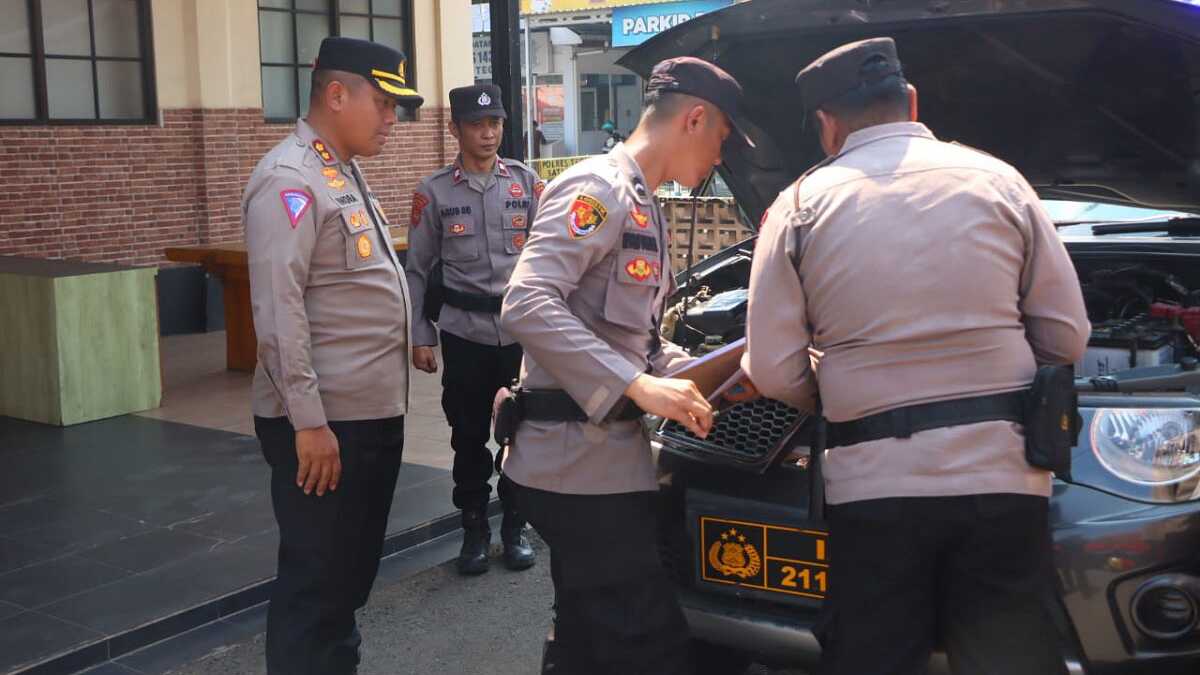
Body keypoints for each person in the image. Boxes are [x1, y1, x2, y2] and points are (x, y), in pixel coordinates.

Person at [742, 38, 1090, 675]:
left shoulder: (798, 205)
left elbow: (769, 368)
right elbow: (1066, 338)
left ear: (826, 125)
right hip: (1003, 482)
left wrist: (838, 385)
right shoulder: (1001, 181)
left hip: (873, 491)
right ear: (911, 101)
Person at [500, 56, 753, 674]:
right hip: (575, 467)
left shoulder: (644, 204)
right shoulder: (600, 189)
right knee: (649, 646)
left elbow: (634, 340)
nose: (721, 158)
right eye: (722, 138)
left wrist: (713, 371)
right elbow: (526, 302)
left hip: (601, 464)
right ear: (695, 119)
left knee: (589, 638)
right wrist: (637, 384)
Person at [242, 36, 424, 675]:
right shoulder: (289, 179)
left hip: (364, 417)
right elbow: (277, 310)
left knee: (343, 581)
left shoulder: (339, 170)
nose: (392, 118)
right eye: (384, 102)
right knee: (316, 585)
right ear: (337, 94)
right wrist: (309, 423)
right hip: (326, 426)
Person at [405, 84, 543, 575]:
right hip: (464, 335)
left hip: (520, 334)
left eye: (495, 123)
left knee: (522, 433)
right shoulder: (434, 192)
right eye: (477, 124)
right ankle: (474, 529)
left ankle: (515, 527)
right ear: (455, 129)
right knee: (467, 435)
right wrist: (420, 334)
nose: (488, 133)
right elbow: (417, 269)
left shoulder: (526, 184)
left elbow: (548, 261)